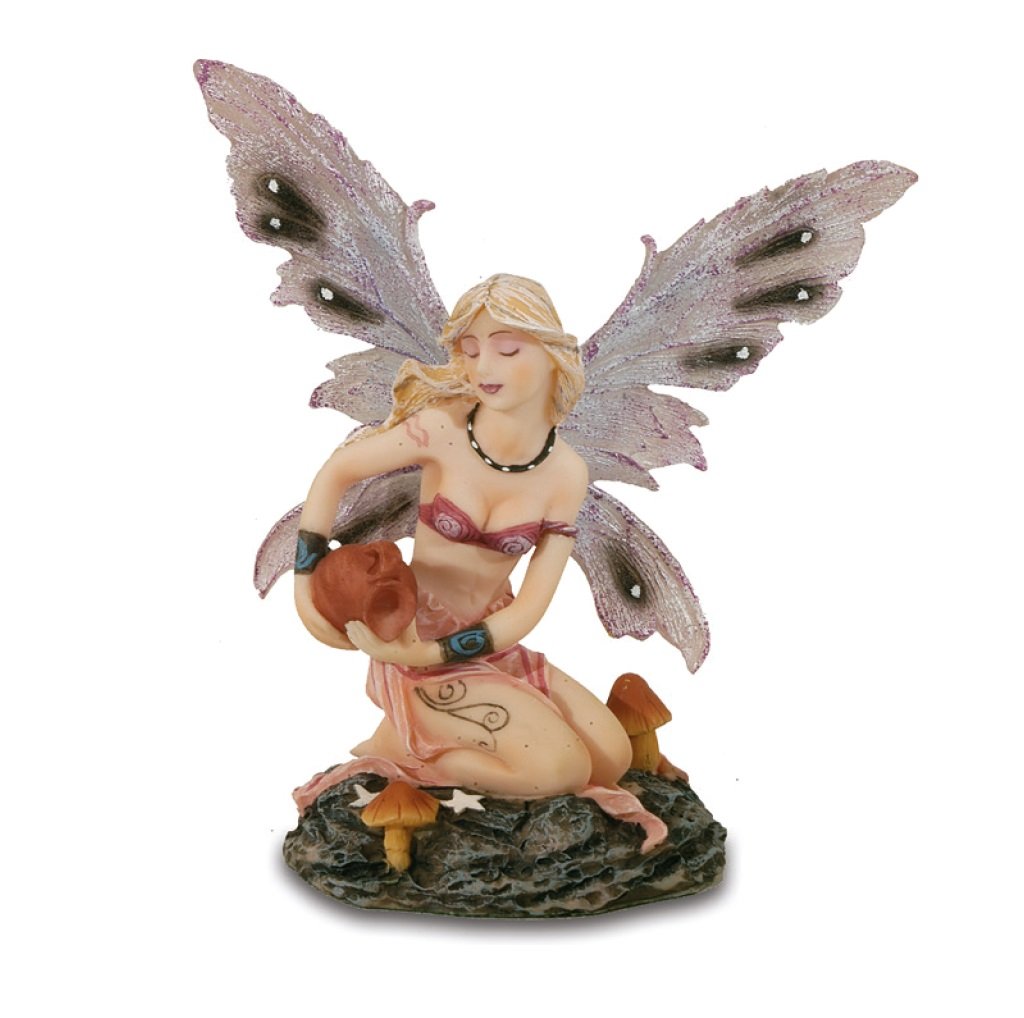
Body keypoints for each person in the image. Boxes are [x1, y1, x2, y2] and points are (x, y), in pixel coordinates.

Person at [293, 274, 634, 801]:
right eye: (470, 352)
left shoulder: (567, 473)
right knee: (562, 771)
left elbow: (531, 606)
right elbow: (336, 472)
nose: (482, 368)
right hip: (409, 637)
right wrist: (305, 584)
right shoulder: (441, 430)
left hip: (487, 640)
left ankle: (416, 740)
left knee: (612, 758)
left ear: (553, 356)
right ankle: (405, 752)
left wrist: (440, 653)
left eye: (506, 349)